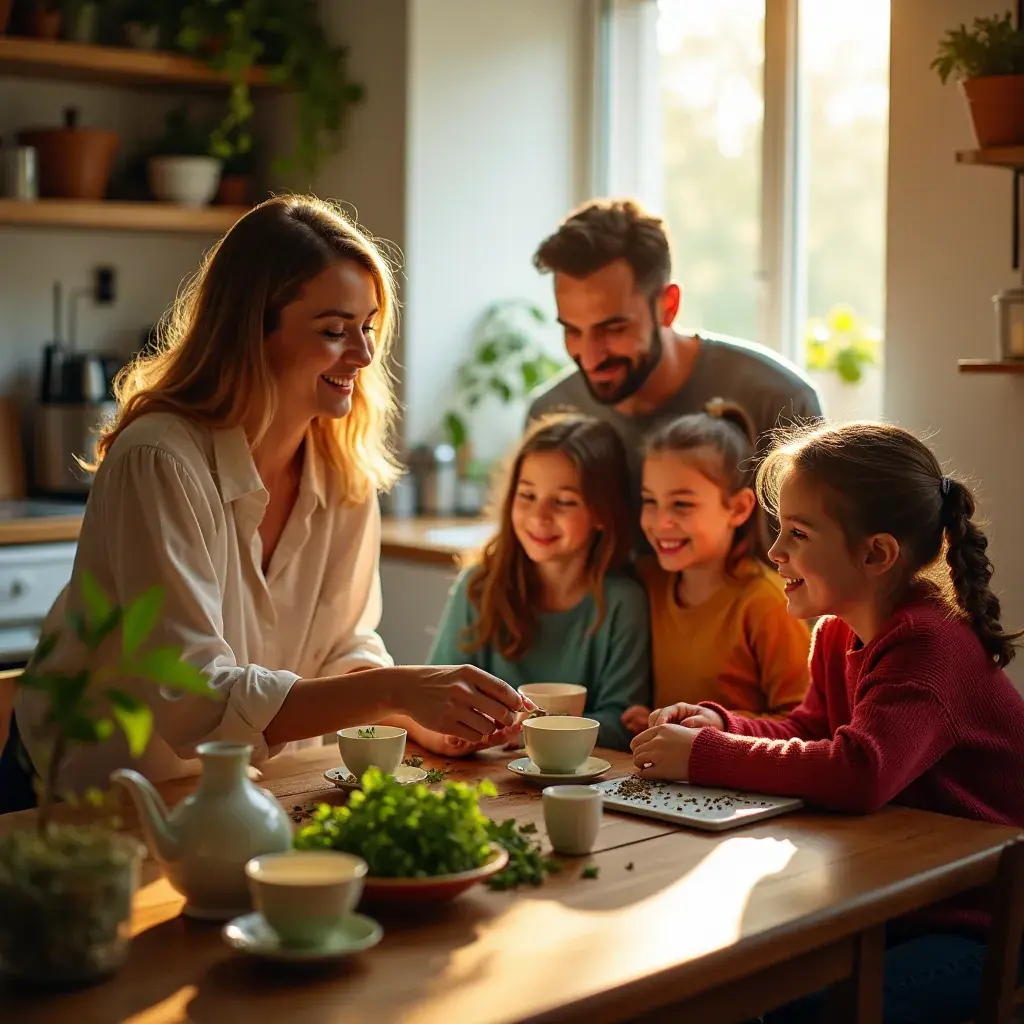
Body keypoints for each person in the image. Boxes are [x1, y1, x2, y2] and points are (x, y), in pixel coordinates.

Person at [2, 196, 527, 808]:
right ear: (252, 332)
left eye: (368, 328)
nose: (361, 354)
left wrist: (418, 720)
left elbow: (341, 651)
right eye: (334, 331)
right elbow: (193, 698)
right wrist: (398, 690)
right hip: (90, 802)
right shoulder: (160, 460)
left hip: (239, 800)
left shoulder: (341, 469)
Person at [631, 422, 1024, 1024]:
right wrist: (720, 724)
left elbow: (860, 769)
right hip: (901, 904)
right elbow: (811, 732)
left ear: (876, 553)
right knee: (746, 982)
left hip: (983, 926)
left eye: (798, 533)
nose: (775, 552)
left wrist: (702, 754)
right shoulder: (838, 632)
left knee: (807, 1011)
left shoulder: (929, 644)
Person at [526, 199, 822, 542]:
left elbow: (821, 563)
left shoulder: (779, 401)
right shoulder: (550, 414)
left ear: (668, 306)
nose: (590, 358)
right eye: (572, 330)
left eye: (614, 328)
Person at [409, 413, 650, 754]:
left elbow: (623, 722)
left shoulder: (624, 602)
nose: (539, 516)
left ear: (602, 514)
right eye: (527, 495)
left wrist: (527, 732)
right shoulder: (478, 589)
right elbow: (434, 694)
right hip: (482, 774)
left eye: (564, 501)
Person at [620, 399, 809, 737]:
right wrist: (654, 718)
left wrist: (712, 725)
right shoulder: (648, 582)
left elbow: (804, 722)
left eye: (682, 504)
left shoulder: (767, 603)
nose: (661, 521)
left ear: (737, 508)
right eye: (650, 500)